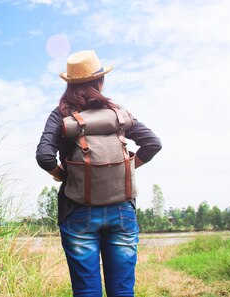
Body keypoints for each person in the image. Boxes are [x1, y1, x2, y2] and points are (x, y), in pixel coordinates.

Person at [36, 50, 162, 297]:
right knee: (123, 291)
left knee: (86, 291)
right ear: (99, 81)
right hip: (122, 209)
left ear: (70, 84)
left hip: (78, 210)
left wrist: (64, 175)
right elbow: (153, 144)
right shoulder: (118, 113)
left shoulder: (60, 113)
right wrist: (127, 169)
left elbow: (44, 156)